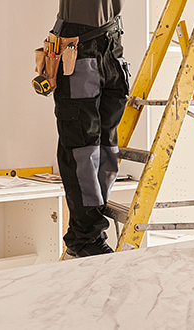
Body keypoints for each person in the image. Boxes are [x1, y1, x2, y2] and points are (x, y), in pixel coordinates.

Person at [52, 0, 129, 259]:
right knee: (82, 149)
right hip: (79, 44)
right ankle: (86, 237)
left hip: (112, 41)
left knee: (106, 149)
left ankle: (83, 233)